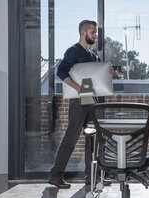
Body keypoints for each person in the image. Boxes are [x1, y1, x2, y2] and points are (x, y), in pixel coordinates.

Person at [48, 20, 111, 188]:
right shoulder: (73, 51)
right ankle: (56, 175)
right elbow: (61, 71)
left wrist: (108, 73)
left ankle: (94, 176)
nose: (95, 36)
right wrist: (78, 88)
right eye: (93, 33)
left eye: (95, 33)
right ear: (83, 33)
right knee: (72, 137)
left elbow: (97, 77)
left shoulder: (93, 55)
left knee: (94, 137)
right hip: (78, 100)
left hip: (92, 99)